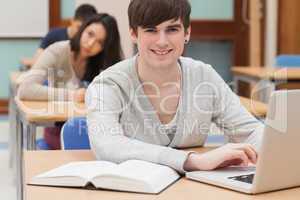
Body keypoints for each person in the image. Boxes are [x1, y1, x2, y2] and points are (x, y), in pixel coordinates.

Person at [86, 0, 264, 173]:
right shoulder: (108, 84)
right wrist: (192, 161)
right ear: (133, 34)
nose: (162, 41)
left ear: (187, 33)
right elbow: (108, 145)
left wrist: (255, 156)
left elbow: (253, 131)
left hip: (195, 191)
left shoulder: (204, 76)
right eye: (151, 30)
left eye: (172, 29)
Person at [17, 13, 123, 149]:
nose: (91, 44)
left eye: (100, 42)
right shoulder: (58, 51)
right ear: (82, 29)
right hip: (59, 129)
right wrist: (72, 95)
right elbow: (25, 89)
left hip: (96, 131)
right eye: (90, 34)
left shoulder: (103, 62)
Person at [20, 4, 97, 68]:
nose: (81, 33)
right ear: (72, 20)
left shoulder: (90, 43)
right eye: (79, 27)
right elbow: (38, 60)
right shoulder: (54, 35)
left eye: (85, 30)